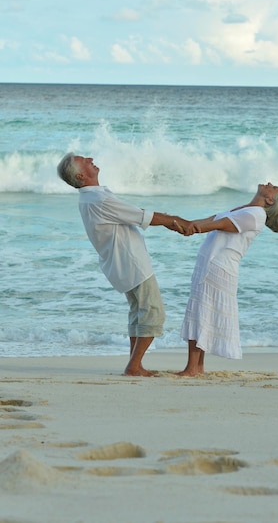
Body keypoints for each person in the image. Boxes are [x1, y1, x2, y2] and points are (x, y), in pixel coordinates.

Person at [57, 152, 196, 376]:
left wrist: (171, 220)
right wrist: (175, 220)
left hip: (122, 263)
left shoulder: (92, 197)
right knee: (153, 313)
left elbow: (134, 215)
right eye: (84, 160)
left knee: (138, 312)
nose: (90, 158)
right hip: (131, 263)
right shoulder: (97, 200)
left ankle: (135, 363)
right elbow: (141, 216)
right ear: (81, 175)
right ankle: (134, 365)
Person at [178, 182, 278, 377]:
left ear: (270, 200)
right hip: (211, 263)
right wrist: (184, 224)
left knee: (203, 313)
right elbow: (213, 218)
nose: (270, 183)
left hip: (219, 267)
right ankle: (197, 367)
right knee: (202, 312)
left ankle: (191, 368)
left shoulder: (257, 215)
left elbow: (223, 225)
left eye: (274, 188)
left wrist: (194, 228)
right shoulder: (245, 208)